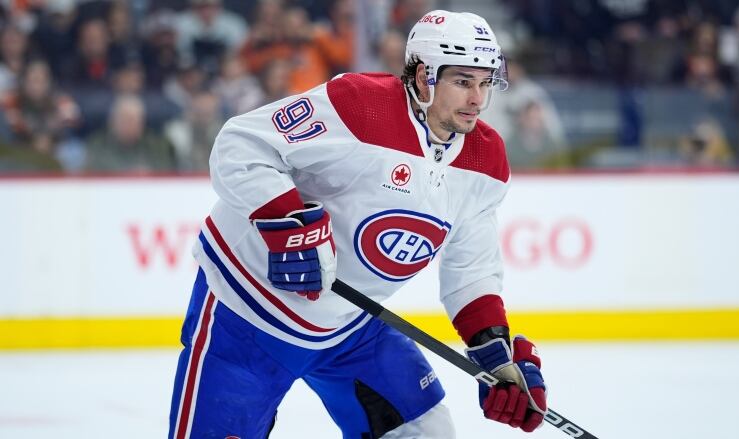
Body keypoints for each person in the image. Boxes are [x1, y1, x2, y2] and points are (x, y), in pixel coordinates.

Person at [169, 10, 548, 439]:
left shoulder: (486, 160)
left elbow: (472, 270)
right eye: (462, 81)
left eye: (485, 83)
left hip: (351, 329)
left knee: (426, 431)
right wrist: (287, 220)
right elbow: (240, 144)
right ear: (424, 75)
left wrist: (496, 357)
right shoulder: (359, 105)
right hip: (246, 316)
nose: (477, 99)